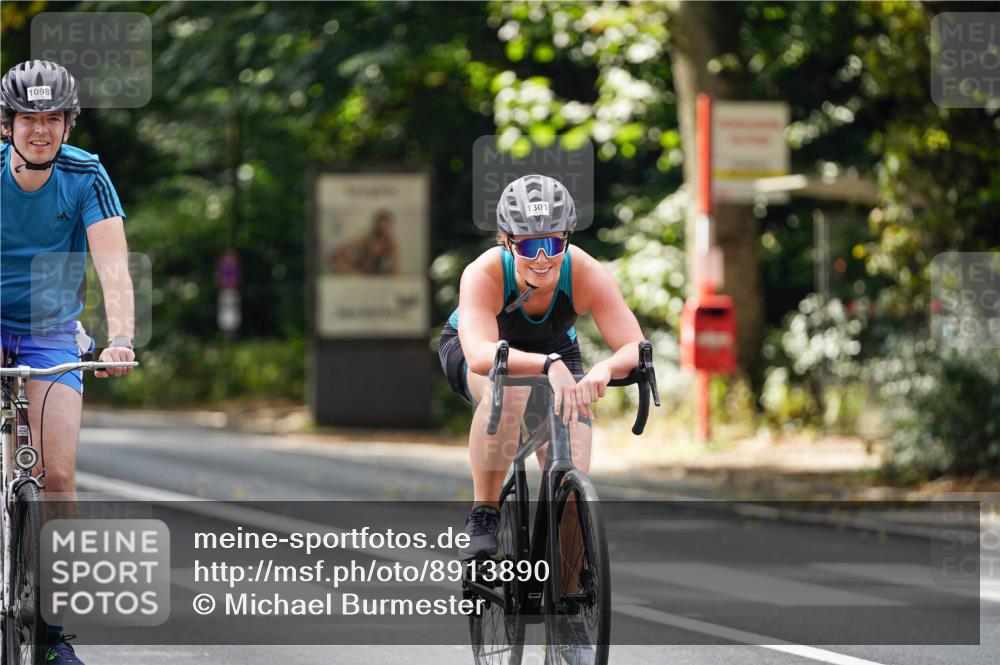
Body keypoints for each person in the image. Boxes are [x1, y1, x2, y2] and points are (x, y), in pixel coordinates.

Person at [0, 60, 135, 665]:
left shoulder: (85, 174)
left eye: (52, 118)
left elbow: (113, 268)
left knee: (56, 476)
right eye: (29, 118)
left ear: (66, 123)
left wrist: (120, 338)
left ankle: (52, 632)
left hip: (53, 333)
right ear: (8, 125)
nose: (41, 130)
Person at [328, 209, 400, 274]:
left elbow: (394, 267)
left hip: (375, 273)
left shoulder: (390, 243)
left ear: (390, 226)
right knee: (337, 257)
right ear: (377, 225)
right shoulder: (367, 237)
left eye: (387, 225)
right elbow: (348, 245)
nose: (383, 228)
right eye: (381, 225)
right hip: (359, 269)